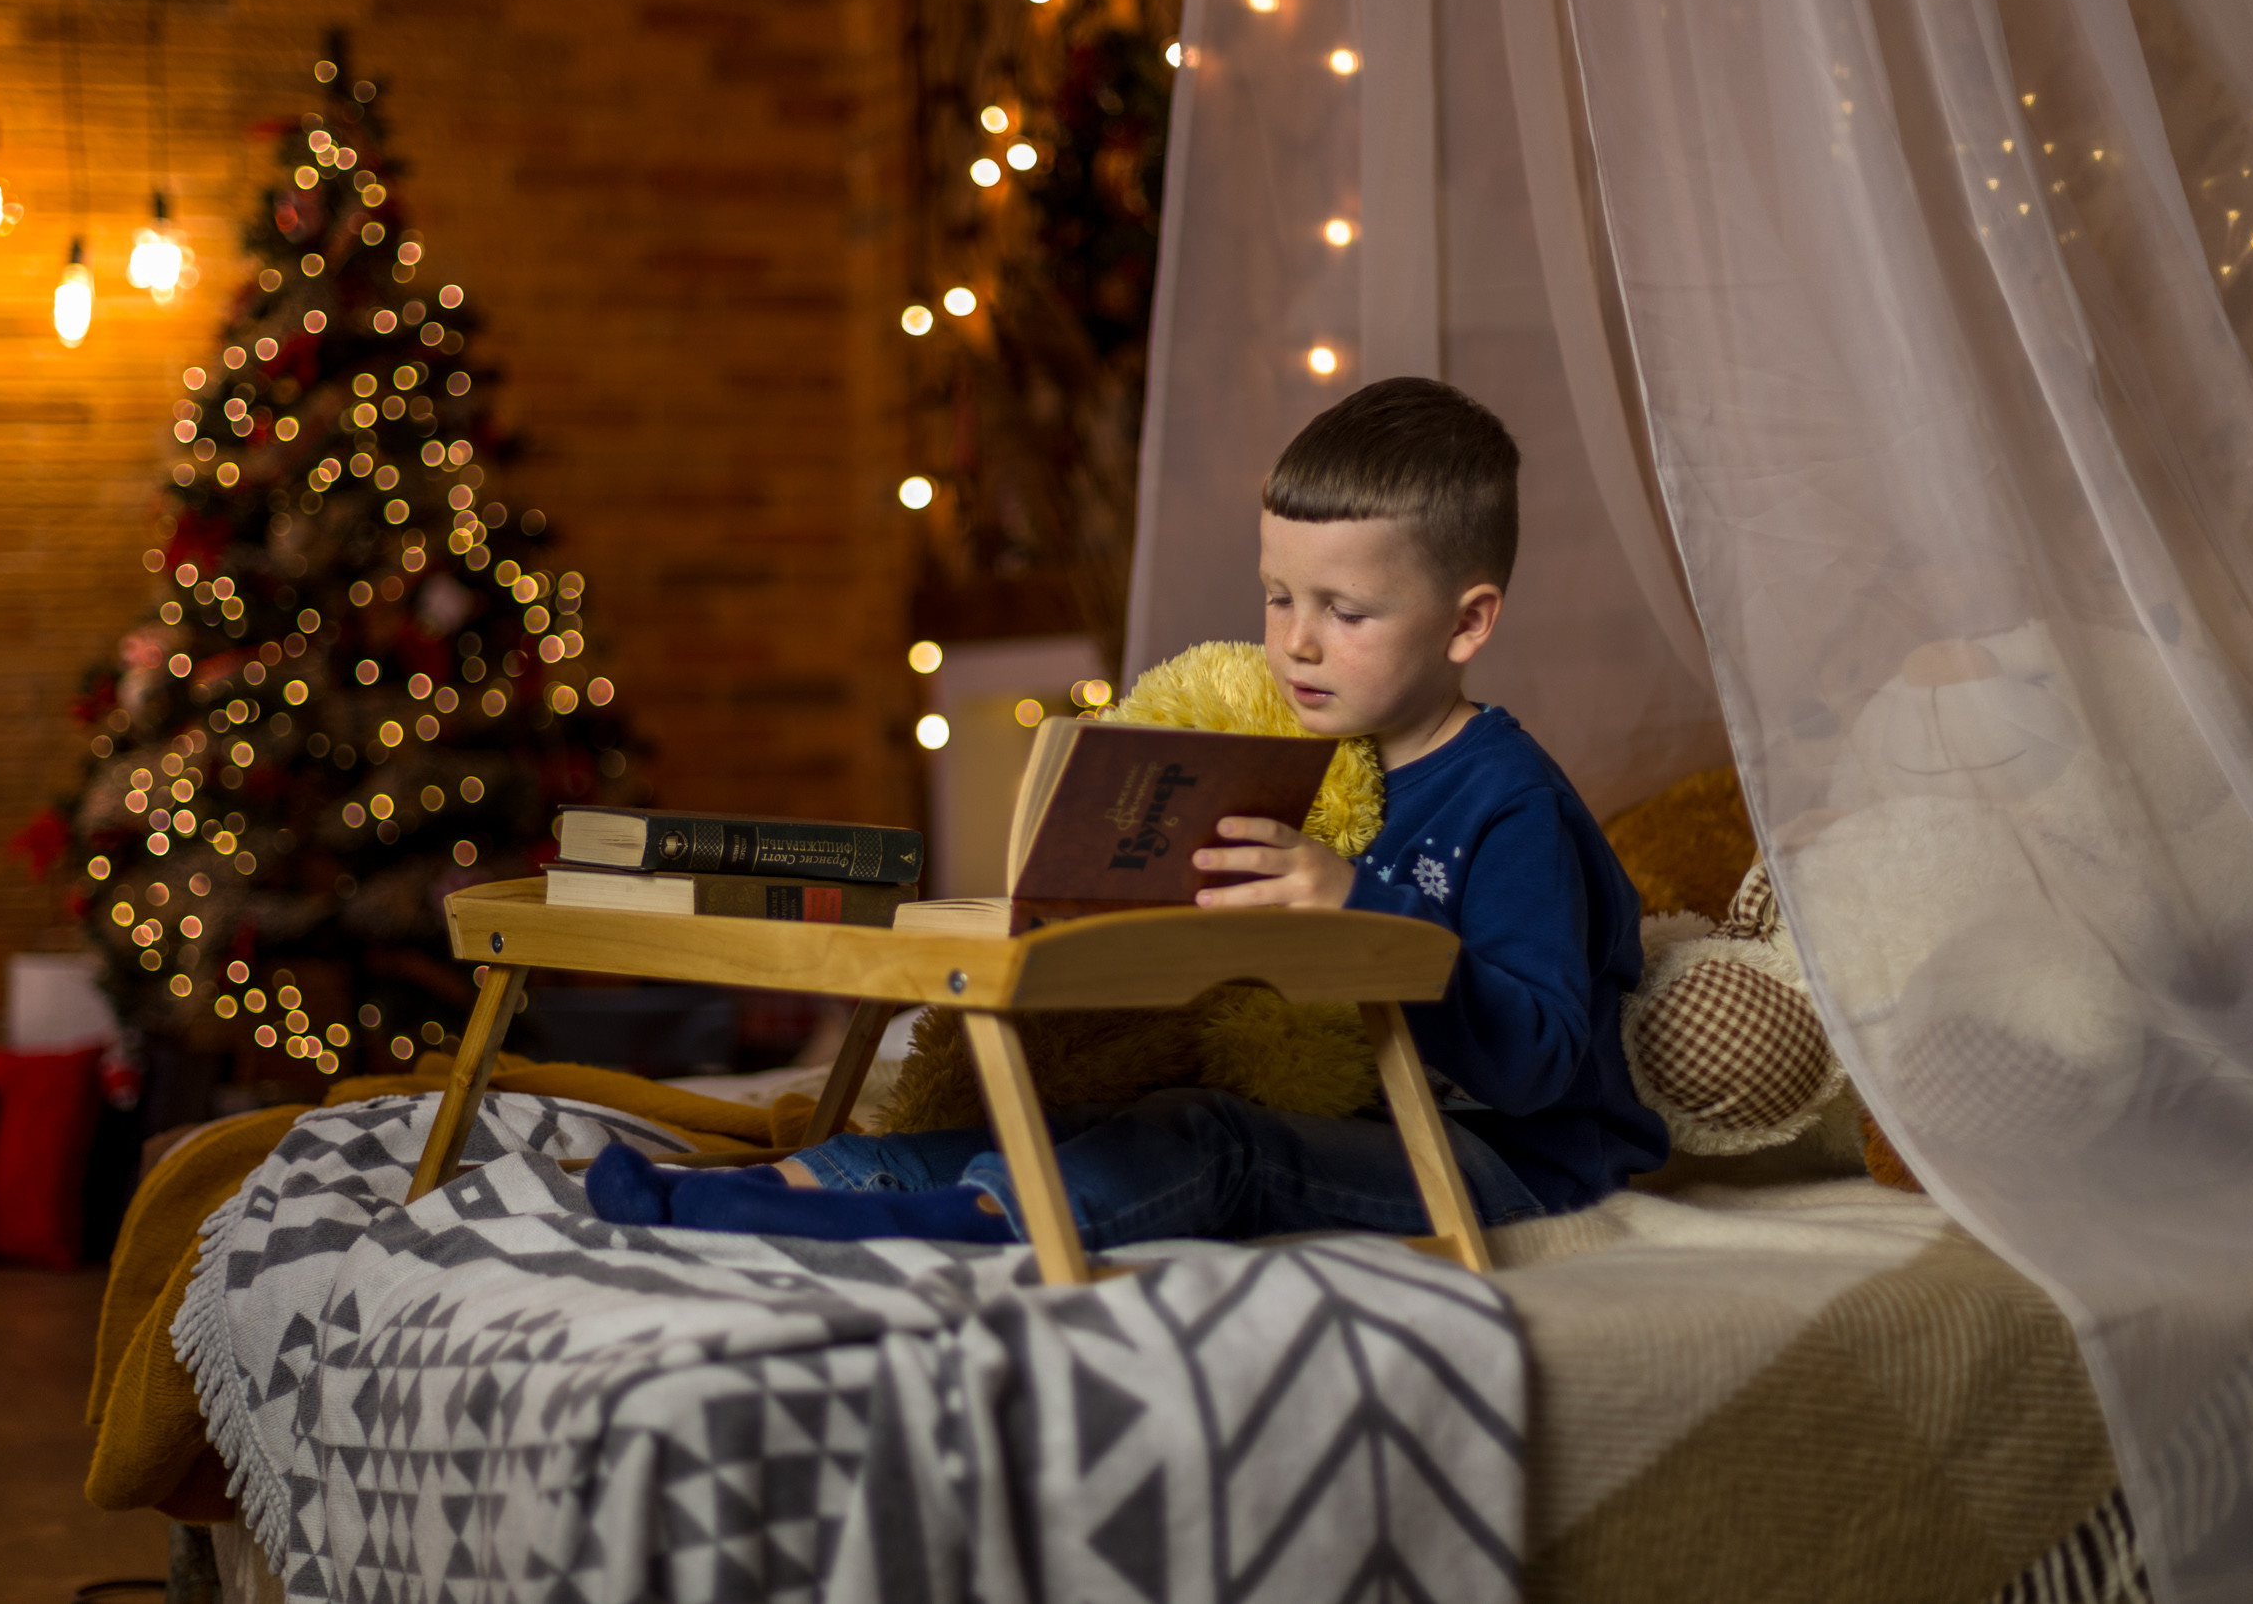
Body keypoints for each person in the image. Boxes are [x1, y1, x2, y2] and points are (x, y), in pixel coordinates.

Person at [585, 376, 1669, 1248]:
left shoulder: (1508, 798)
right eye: (1277, 594)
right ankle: (775, 1186)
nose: (1294, 640)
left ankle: (932, 1224)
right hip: (1354, 1110)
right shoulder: (1292, 756)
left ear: (1467, 623)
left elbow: (1538, 1063)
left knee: (1207, 1140)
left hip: (1503, 1156)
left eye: (1344, 610)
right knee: (1075, 1114)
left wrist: (1361, 909)